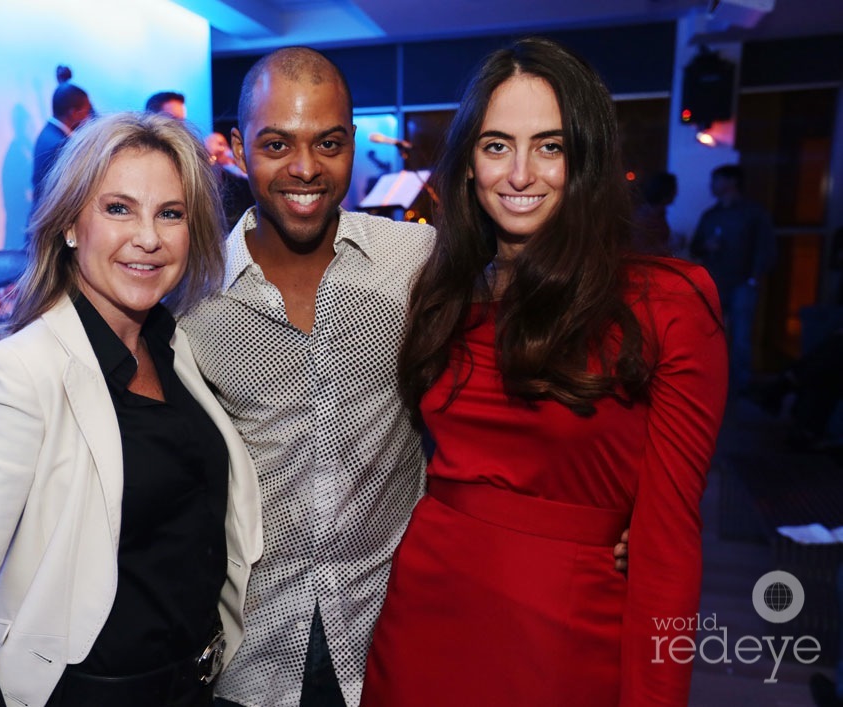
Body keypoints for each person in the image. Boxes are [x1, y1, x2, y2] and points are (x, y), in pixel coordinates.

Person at [179, 47, 629, 707]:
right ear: (240, 147)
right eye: (277, 144)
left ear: (353, 144)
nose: (304, 168)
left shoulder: (419, 263)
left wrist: (610, 519)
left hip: (393, 631)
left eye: (328, 143)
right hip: (251, 650)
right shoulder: (191, 298)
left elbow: (535, 366)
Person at [361, 37, 727, 706]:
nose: (520, 172)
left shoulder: (667, 304)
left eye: (549, 146)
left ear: (583, 159)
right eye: (497, 145)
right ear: (469, 163)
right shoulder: (442, 292)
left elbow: (669, 547)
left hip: (567, 636)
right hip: (423, 619)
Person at [0, 112, 262, 707]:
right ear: (71, 224)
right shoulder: (16, 373)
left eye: (170, 213)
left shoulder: (175, 350)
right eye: (118, 208)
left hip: (193, 685)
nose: (147, 237)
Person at [690, 163, 776, 394]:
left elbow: (765, 247)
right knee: (710, 334)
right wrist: (706, 246)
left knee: (740, 337)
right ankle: (711, 384)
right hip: (714, 282)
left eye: (716, 180)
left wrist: (754, 278)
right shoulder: (711, 215)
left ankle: (741, 388)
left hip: (742, 283)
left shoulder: (753, 213)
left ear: (731, 182)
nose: (711, 185)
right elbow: (695, 246)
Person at [31, 65, 93, 213]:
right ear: (73, 113)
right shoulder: (59, 144)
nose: (89, 117)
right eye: (86, 111)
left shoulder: (50, 133)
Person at [204, 131, 254, 230]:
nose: (222, 148)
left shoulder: (238, 162)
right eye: (218, 144)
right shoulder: (212, 169)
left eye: (222, 144)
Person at [631, 170, 678, 256]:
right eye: (674, 189)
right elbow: (640, 247)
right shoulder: (647, 215)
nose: (676, 194)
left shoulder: (657, 214)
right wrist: (671, 246)